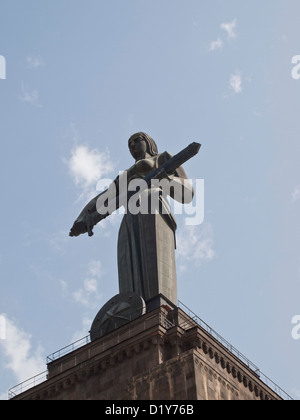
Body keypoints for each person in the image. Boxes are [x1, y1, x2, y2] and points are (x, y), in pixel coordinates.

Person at [70, 132, 194, 306]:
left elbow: (187, 193)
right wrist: (83, 217)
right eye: (129, 144)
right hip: (130, 215)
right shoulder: (126, 176)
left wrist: (165, 179)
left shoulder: (164, 158)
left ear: (149, 142)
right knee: (128, 262)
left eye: (137, 140)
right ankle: (134, 307)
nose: (133, 145)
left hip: (154, 207)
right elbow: (105, 196)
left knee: (155, 261)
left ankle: (160, 305)